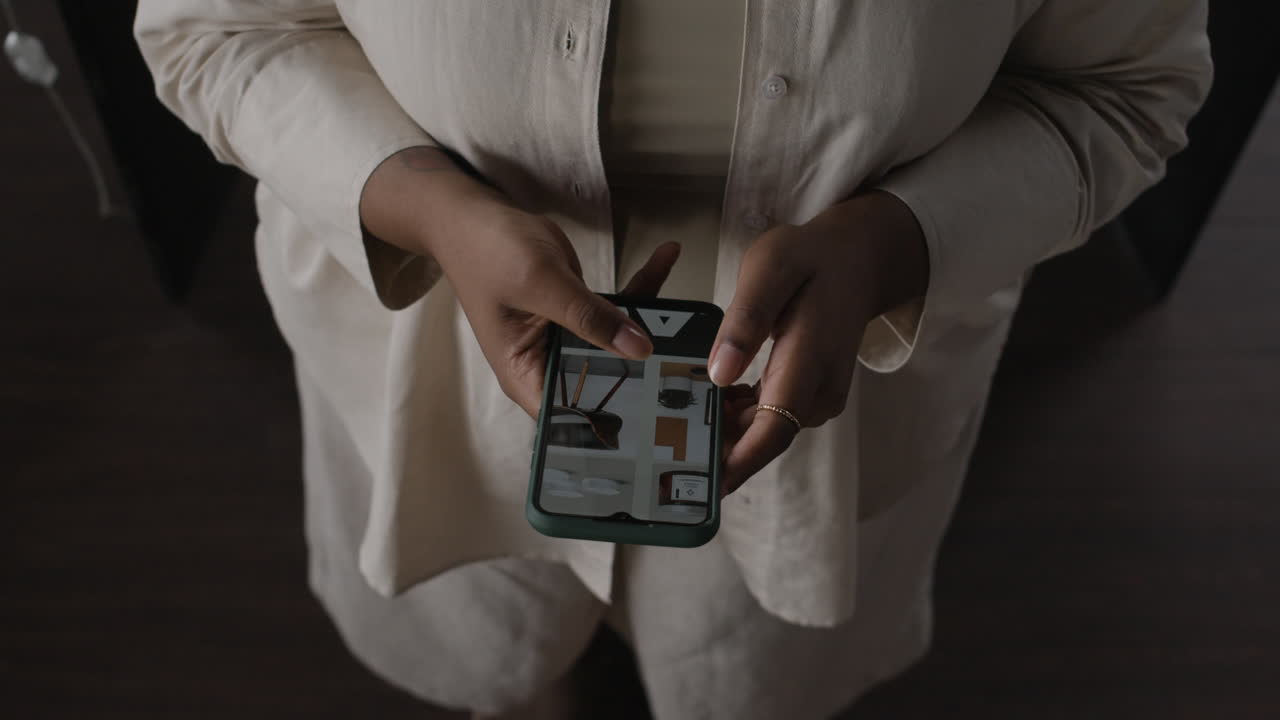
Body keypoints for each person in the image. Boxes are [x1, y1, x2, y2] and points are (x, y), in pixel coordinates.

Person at [135, 1, 1212, 718]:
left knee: (748, 669)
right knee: (496, 655)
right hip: (436, 371)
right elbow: (211, 28)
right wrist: (427, 210)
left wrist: (900, 243)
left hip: (832, 404)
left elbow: (1121, 88)